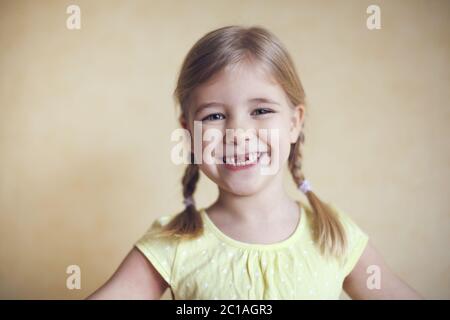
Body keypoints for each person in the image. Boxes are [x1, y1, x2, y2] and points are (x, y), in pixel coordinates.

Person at [87, 25, 421, 300]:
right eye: (215, 116)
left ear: (294, 122)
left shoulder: (333, 235)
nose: (238, 133)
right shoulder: (174, 243)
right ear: (189, 131)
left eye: (261, 111)